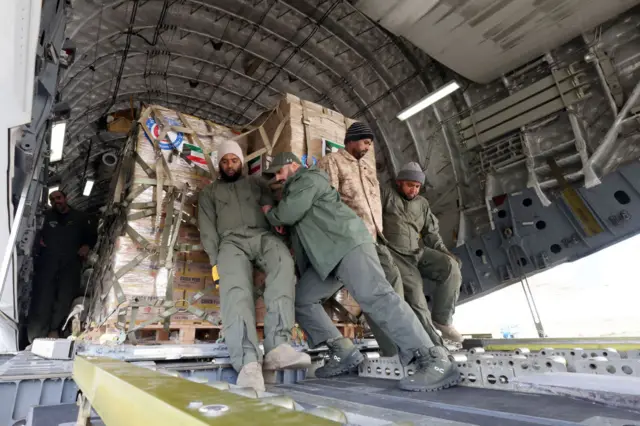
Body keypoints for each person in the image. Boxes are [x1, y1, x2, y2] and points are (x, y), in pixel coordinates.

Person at [262, 152, 460, 392]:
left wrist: (269, 213)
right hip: (328, 258)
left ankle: (433, 358)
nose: (277, 178)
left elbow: (287, 214)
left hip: (347, 244)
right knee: (303, 300)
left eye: (279, 172)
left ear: (293, 165)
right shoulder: (294, 189)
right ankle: (343, 350)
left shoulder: (307, 179)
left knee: (378, 297)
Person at [317, 122, 444, 355]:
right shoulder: (332, 163)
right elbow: (328, 203)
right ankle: (393, 351)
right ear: (353, 139)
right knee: (372, 294)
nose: (367, 148)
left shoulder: (367, 170)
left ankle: (408, 345)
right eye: (365, 142)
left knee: (392, 286)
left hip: (375, 240)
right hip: (351, 239)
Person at [198, 141, 310, 393]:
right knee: (235, 291)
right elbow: (207, 229)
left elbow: (272, 211)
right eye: (225, 161)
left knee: (283, 262)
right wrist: (215, 262)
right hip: (230, 242)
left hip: (262, 236)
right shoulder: (209, 193)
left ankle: (278, 347)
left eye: (234, 160)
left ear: (242, 162)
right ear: (219, 164)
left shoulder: (257, 183)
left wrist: (282, 240)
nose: (229, 165)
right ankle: (248, 364)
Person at [381, 162, 464, 343]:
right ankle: (434, 345)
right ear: (399, 182)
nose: (414, 190)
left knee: (451, 267)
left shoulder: (422, 204)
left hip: (417, 252)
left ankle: (443, 321)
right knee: (418, 301)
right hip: (397, 255)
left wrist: (444, 252)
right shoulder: (386, 194)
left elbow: (431, 233)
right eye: (410, 185)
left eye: (417, 186)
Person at [28, 190, 97, 343]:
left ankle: (56, 330)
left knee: (65, 298)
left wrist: (86, 246)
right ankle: (37, 335)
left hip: (71, 263)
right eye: (52, 200)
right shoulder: (46, 217)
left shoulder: (80, 217)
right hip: (48, 263)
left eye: (58, 198)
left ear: (66, 198)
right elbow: (34, 235)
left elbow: (92, 235)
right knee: (43, 298)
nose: (56, 201)